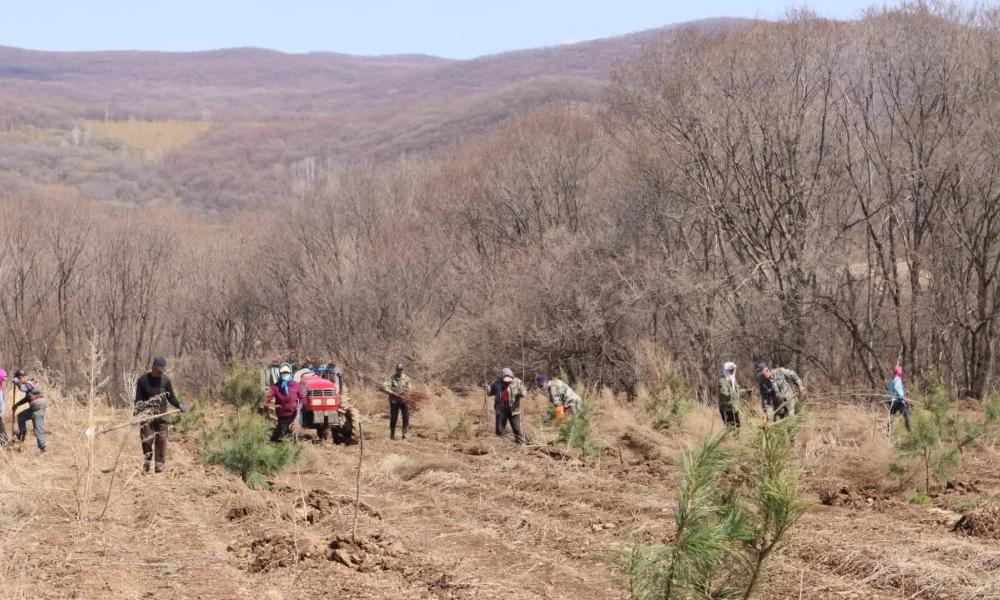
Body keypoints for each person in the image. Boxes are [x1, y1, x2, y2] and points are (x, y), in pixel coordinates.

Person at [134, 357, 188, 473]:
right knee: (147, 439)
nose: (160, 373)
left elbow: (171, 397)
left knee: (162, 439)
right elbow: (138, 400)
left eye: (161, 371)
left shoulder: (166, 380)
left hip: (162, 414)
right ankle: (147, 462)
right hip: (147, 415)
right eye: (158, 370)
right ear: (152, 367)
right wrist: (137, 413)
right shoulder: (142, 380)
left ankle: (159, 464)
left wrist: (179, 405)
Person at [265, 364, 305, 442]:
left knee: (294, 433)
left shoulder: (295, 385)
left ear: (290, 373)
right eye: (283, 373)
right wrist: (267, 402)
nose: (285, 375)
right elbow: (268, 397)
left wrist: (299, 406)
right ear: (280, 374)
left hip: (294, 414)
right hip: (282, 415)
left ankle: (295, 446)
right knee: (282, 434)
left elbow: (302, 397)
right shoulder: (276, 387)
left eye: (287, 373)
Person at [487, 367, 526, 444]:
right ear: (502, 377)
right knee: (499, 428)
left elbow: (523, 390)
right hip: (501, 409)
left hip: (513, 409)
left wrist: (523, 393)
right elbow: (490, 393)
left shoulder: (517, 381)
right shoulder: (496, 383)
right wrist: (488, 389)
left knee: (516, 427)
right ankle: (500, 444)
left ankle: (520, 443)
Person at [12, 369, 45, 453]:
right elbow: (27, 398)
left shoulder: (31, 382)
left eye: (19, 379)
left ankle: (42, 449)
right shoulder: (29, 383)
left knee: (37, 428)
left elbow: (23, 388)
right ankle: (22, 434)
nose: (19, 381)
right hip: (34, 406)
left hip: (38, 406)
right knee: (21, 416)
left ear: (22, 377)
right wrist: (17, 405)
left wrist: (17, 382)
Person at [718, 361, 751, 428]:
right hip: (726, 409)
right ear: (726, 370)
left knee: (737, 428)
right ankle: (730, 439)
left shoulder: (733, 380)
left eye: (733, 370)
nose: (732, 372)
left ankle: (735, 439)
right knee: (730, 429)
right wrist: (733, 395)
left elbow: (737, 391)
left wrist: (746, 392)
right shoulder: (722, 381)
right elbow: (724, 393)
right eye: (730, 370)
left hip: (734, 408)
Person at [384, 363, 412, 440]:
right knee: (393, 417)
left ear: (403, 370)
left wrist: (404, 392)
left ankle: (404, 433)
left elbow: (409, 388)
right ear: (396, 369)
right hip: (394, 400)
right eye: (398, 369)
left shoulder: (407, 378)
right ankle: (392, 433)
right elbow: (386, 387)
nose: (399, 371)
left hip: (404, 400)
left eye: (400, 369)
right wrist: (393, 392)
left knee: (406, 417)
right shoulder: (391, 378)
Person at [887, 365, 912, 433]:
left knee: (891, 417)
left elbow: (890, 391)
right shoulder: (897, 379)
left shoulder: (891, 380)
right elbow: (897, 388)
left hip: (890, 401)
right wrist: (903, 397)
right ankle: (910, 431)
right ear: (899, 373)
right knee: (907, 414)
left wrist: (904, 392)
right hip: (898, 401)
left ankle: (889, 432)